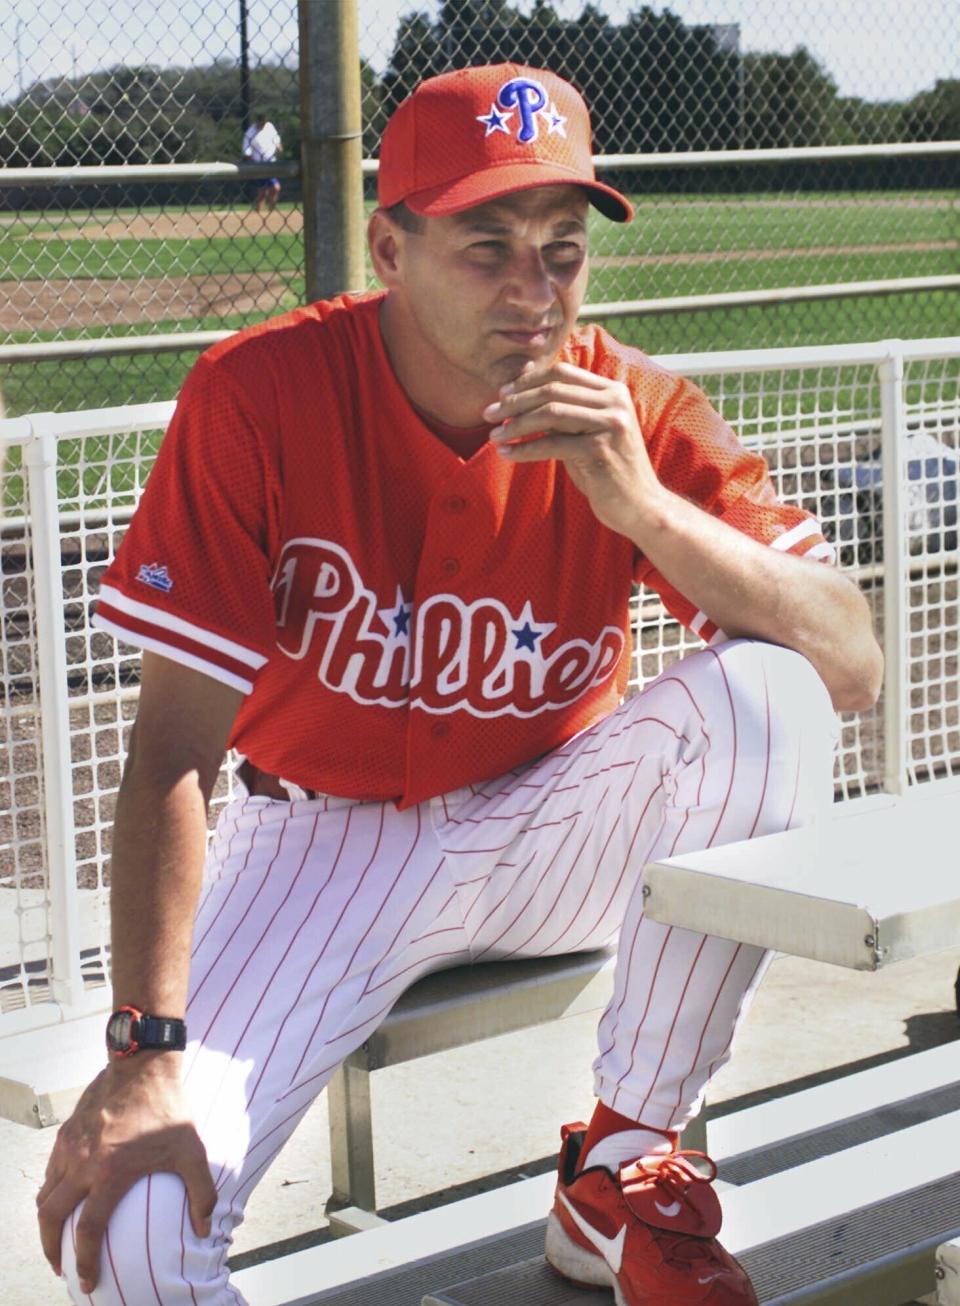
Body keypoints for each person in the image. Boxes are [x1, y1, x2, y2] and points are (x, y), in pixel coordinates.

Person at [37, 63, 882, 1305]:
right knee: (138, 1240)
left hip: (556, 825)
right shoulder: (260, 394)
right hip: (322, 846)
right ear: (390, 245)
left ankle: (624, 1164)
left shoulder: (624, 408)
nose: (536, 294)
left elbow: (852, 661)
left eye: (564, 249)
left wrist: (639, 505)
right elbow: (171, 748)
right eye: (489, 247)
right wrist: (143, 1052)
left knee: (774, 692)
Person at [241, 113, 282, 215]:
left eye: (264, 123)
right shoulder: (251, 132)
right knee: (263, 191)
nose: (263, 125)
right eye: (261, 123)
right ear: (257, 122)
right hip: (258, 163)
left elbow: (276, 139)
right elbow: (246, 148)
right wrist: (249, 157)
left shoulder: (269, 127)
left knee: (275, 188)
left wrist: (278, 145)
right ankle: (258, 211)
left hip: (271, 162)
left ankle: (271, 208)